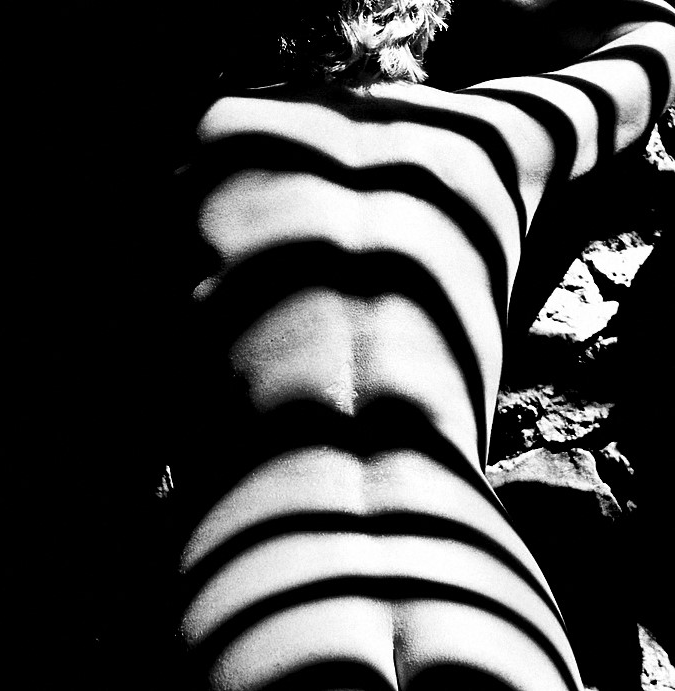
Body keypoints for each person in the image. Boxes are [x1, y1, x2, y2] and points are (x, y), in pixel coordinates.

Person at [173, 1, 675, 689]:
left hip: (264, 582)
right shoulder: (499, 133)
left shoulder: (194, 133)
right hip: (484, 595)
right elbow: (653, 33)